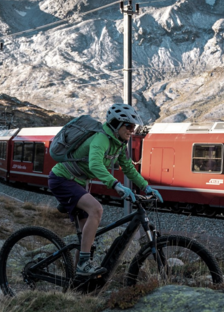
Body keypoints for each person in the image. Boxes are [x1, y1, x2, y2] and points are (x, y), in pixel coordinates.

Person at [48, 103, 160, 278]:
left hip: (78, 183)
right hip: (62, 179)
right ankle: (83, 264)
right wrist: (115, 184)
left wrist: (146, 186)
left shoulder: (120, 144)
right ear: (116, 124)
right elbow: (95, 164)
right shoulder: (101, 139)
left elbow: (128, 169)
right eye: (129, 126)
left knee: (87, 242)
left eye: (134, 127)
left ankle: (78, 282)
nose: (132, 130)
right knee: (97, 209)